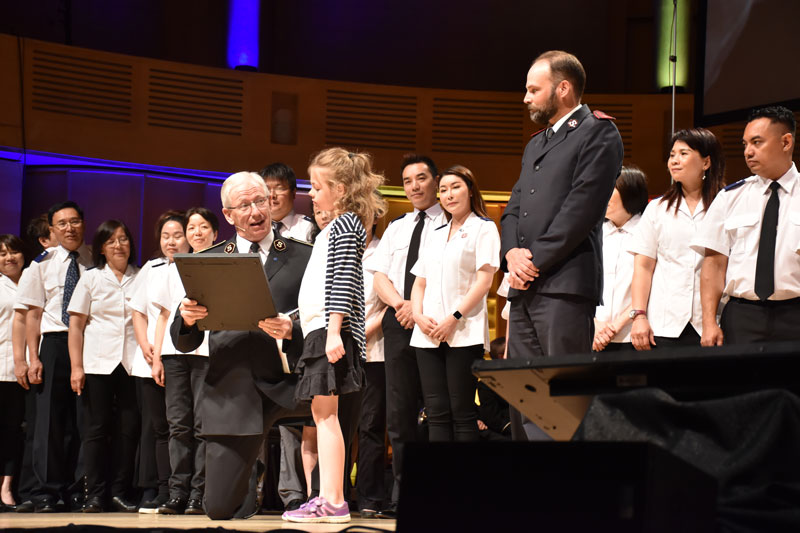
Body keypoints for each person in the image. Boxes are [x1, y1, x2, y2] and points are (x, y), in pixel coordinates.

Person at [171, 171, 313, 520]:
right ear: (228, 214)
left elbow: (323, 316)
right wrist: (187, 318)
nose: (255, 211)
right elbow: (184, 341)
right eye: (245, 205)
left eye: (261, 201)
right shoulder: (210, 260)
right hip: (233, 387)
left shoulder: (305, 256)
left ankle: (327, 496)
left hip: (290, 381)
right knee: (221, 511)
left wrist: (292, 328)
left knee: (346, 399)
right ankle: (250, 467)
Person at [500, 51, 623, 441]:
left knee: (562, 403)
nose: (526, 98)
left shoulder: (599, 132)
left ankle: (568, 495)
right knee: (523, 397)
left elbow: (582, 209)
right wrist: (511, 254)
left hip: (565, 286)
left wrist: (532, 260)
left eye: (534, 90)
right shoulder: (536, 144)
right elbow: (513, 208)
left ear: (563, 88)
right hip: (524, 286)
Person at [282, 148, 386, 524]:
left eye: (317, 186)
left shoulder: (344, 227)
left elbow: (343, 281)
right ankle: (328, 496)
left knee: (326, 417)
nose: (311, 193)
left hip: (329, 331)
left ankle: (334, 500)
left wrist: (334, 331)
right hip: (321, 329)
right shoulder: (338, 227)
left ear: (339, 190)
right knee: (322, 415)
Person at [364, 153, 446, 517]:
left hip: (436, 324)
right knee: (399, 416)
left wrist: (419, 308)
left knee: (437, 411)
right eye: (408, 180)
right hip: (399, 322)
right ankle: (403, 495)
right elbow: (380, 275)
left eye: (422, 178)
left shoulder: (452, 223)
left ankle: (437, 492)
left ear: (436, 181)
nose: (414, 186)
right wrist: (401, 304)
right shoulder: (397, 227)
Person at [692, 106, 800, 344]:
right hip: (742, 316)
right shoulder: (730, 197)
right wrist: (709, 322)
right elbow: (714, 263)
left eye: (757, 142)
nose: (748, 152)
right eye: (745, 144)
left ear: (786, 142)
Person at [410, 165, 500, 442]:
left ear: (470, 191)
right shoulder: (435, 232)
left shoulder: (484, 228)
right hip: (427, 332)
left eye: (456, 187)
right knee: (435, 412)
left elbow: (484, 282)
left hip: (463, 331)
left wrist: (454, 317)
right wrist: (417, 316)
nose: (448, 194)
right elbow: (419, 282)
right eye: (444, 190)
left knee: (462, 411)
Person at [15, 201, 91, 512]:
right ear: (52, 230)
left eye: (75, 221)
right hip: (54, 345)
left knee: (81, 422)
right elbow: (31, 316)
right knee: (48, 423)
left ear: (83, 224)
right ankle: (46, 492)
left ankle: (75, 489)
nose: (69, 228)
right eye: (62, 224)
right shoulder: (41, 265)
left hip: (89, 345)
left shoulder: (92, 262)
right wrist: (32, 358)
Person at [67, 220, 140, 513]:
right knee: (95, 430)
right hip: (97, 362)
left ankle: (119, 491)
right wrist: (76, 366)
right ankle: (94, 494)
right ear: (101, 248)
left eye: (123, 239)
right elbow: (75, 325)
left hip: (132, 362)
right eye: (111, 241)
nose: (119, 245)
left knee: (128, 429)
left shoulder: (141, 275)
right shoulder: (90, 278)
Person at [629, 128, 725, 350]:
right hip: (664, 324)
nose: (674, 161)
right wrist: (639, 316)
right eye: (672, 155)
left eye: (684, 153)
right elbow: (643, 267)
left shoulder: (727, 204)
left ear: (706, 162)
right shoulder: (657, 209)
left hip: (711, 323)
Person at [152, 207, 218, 515]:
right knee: (178, 425)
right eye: (192, 228)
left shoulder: (223, 264)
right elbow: (164, 316)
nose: (196, 232)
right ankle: (177, 493)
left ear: (215, 233)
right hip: (174, 354)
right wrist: (156, 358)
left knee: (204, 426)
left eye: (203, 227)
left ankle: (199, 493)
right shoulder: (171, 269)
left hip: (208, 354)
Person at [130, 211, 188, 512]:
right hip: (151, 357)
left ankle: (179, 489)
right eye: (166, 236)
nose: (171, 241)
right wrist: (145, 346)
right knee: (158, 428)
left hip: (181, 356)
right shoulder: (151, 269)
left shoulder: (195, 266)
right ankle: (159, 488)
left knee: (180, 425)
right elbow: (138, 311)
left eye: (177, 235)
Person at [593, 166, 649, 351]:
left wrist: (616, 326)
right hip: (593, 334)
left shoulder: (648, 231)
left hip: (633, 336)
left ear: (630, 192)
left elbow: (651, 284)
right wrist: (594, 323)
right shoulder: (593, 233)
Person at [356, 220, 388, 517]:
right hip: (337, 350)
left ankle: (370, 497)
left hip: (374, 350)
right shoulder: (336, 249)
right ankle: (329, 493)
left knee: (371, 426)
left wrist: (361, 331)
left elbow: (391, 303)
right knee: (336, 426)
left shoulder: (383, 249)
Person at [0, 235, 28, 510]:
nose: (9, 258)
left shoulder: (32, 280)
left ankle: (8, 487)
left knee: (14, 432)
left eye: (13, 252)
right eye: (2, 254)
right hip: (0, 367)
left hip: (24, 371)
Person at [260, 162, 316, 243]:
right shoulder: (255, 229)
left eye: (279, 188)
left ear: (293, 193)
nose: (272, 195)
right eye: (267, 189)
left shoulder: (309, 228)